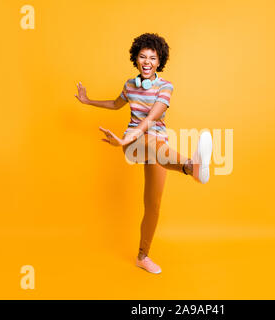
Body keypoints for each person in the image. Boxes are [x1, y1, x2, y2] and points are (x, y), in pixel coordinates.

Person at [75, 33, 212, 274]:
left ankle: (142, 256)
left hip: (159, 147)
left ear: (159, 62)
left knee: (153, 205)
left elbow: (151, 118)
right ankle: (192, 167)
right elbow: (116, 104)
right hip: (133, 143)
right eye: (142, 57)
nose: (147, 61)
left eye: (153, 57)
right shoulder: (130, 85)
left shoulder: (165, 87)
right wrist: (88, 101)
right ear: (136, 59)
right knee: (147, 139)